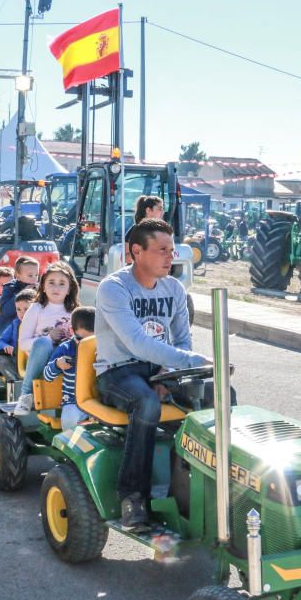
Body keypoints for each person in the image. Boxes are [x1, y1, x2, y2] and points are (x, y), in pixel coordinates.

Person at [95, 218, 211, 531]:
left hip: (159, 368)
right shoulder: (114, 289)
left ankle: (201, 489)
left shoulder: (174, 288)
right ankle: (133, 497)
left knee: (218, 397)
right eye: (162, 250)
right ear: (137, 251)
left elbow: (182, 338)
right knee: (147, 404)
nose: (170, 256)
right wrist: (185, 361)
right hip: (118, 371)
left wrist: (170, 370)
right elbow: (136, 342)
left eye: (171, 250)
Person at [14, 261, 80, 416]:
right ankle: (26, 394)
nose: (56, 287)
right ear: (43, 286)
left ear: (69, 288)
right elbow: (23, 343)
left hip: (66, 356)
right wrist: (49, 338)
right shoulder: (37, 308)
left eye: (62, 283)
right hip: (41, 357)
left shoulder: (76, 311)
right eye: (51, 282)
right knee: (43, 342)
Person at [43, 306, 95, 430]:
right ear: (72, 331)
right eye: (81, 340)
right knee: (71, 417)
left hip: (97, 399)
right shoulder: (65, 348)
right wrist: (57, 364)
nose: (86, 344)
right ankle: (70, 443)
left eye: (91, 339)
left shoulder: (102, 346)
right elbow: (47, 376)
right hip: (73, 401)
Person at [0, 288, 36, 381]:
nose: (22, 313)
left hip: (32, 362)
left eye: (26, 309)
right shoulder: (15, 324)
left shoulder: (40, 325)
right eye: (18, 309)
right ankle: (16, 383)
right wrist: (5, 346)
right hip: (15, 363)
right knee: (2, 360)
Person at [0, 256, 39, 336]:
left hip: (31, 329)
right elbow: (6, 312)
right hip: (9, 331)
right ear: (18, 276)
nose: (34, 279)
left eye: (36, 275)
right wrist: (22, 293)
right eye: (30, 276)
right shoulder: (10, 288)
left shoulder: (38, 289)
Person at [124, 195, 165, 263]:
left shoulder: (162, 231)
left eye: (163, 209)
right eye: (159, 209)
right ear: (148, 210)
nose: (163, 212)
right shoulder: (135, 231)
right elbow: (126, 258)